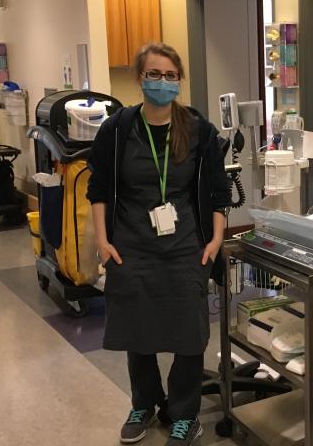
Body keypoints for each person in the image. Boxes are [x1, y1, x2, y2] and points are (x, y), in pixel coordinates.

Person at [87, 42, 230, 445]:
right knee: (138, 328)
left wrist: (215, 240)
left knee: (188, 333)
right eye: (154, 75)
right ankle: (144, 403)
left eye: (170, 76)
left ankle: (185, 413)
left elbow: (219, 192)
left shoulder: (198, 130)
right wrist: (102, 240)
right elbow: (97, 188)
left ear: (179, 80)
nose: (162, 83)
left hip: (186, 246)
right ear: (140, 79)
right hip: (130, 245)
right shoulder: (117, 129)